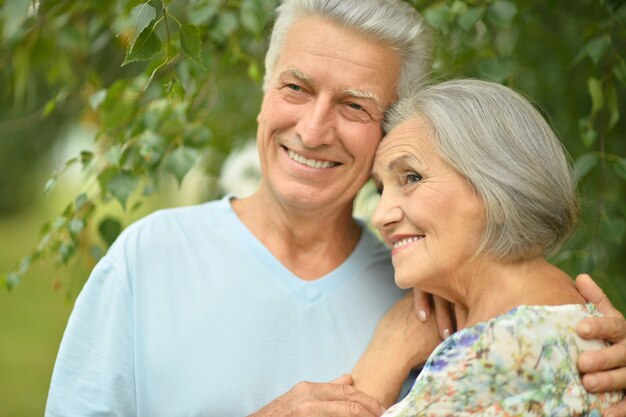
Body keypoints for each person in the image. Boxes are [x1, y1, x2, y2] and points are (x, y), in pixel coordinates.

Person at [45, 1, 626, 416]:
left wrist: (598, 362)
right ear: (264, 96)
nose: (314, 129)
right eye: (296, 88)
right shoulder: (148, 259)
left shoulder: (431, 289)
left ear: (390, 132)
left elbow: (536, 364)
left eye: (353, 104)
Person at [354, 78, 624, 415]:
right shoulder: (560, 323)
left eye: (411, 177)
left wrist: (387, 354)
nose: (380, 216)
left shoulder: (496, 353)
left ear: (496, 181)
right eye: (381, 190)